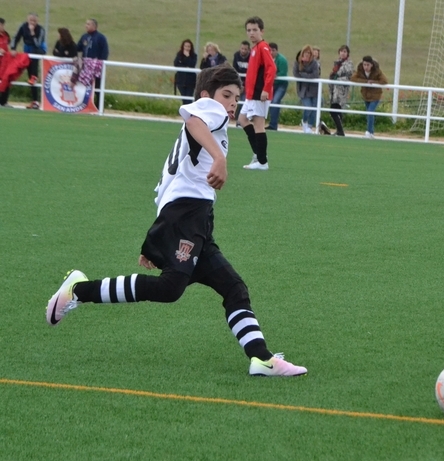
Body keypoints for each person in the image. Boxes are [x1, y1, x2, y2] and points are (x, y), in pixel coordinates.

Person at [45, 65, 308, 378]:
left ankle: (261, 358)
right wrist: (220, 159)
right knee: (171, 288)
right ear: (206, 95)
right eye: (227, 95)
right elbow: (193, 120)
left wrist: (157, 240)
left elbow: (166, 185)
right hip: (189, 215)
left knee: (233, 287)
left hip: (191, 218)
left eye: (236, 98)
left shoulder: (208, 127)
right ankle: (78, 290)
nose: (232, 103)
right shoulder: (209, 110)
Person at [239, 16, 276, 171]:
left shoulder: (263, 47)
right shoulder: (254, 49)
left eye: (255, 30)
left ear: (262, 31)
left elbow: (271, 68)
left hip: (259, 94)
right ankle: (258, 153)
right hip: (251, 94)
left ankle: (262, 162)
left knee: (259, 125)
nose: (251, 33)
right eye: (249, 30)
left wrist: (266, 89)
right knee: (242, 119)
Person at [11, 13, 46, 109]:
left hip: (38, 50)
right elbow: (16, 37)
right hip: (27, 51)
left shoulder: (41, 30)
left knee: (33, 70)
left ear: (37, 21)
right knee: (30, 75)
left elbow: (38, 44)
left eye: (34, 21)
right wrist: (13, 48)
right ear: (27, 20)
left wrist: (32, 32)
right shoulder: (23, 27)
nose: (32, 23)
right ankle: (35, 101)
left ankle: (34, 76)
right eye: (31, 20)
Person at [350, 55, 388, 139]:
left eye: (368, 65)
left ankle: (368, 131)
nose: (366, 67)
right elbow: (353, 78)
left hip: (375, 95)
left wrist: (374, 82)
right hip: (365, 95)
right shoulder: (360, 70)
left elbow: (384, 81)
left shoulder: (377, 71)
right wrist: (366, 81)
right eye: (364, 65)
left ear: (372, 65)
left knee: (370, 112)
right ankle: (371, 132)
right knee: (369, 113)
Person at [78, 18, 109, 108]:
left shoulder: (100, 38)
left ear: (94, 26)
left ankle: (99, 107)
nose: (86, 26)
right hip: (85, 67)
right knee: (84, 86)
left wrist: (100, 64)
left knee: (97, 87)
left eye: (88, 24)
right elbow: (78, 48)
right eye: (86, 24)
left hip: (96, 67)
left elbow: (105, 52)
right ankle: (84, 105)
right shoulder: (84, 37)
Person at [293, 45, 321, 134]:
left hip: (314, 89)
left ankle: (310, 126)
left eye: (309, 53)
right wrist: (306, 76)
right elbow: (296, 74)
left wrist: (304, 75)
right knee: (308, 107)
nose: (307, 54)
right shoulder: (298, 62)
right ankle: (304, 121)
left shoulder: (314, 63)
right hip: (303, 89)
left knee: (314, 108)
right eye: (306, 52)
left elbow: (315, 75)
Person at [328, 44, 354, 136]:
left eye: (345, 51)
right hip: (334, 91)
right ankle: (339, 130)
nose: (343, 53)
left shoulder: (349, 64)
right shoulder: (337, 63)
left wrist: (337, 78)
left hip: (341, 91)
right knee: (336, 110)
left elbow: (348, 76)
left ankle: (340, 131)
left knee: (334, 110)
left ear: (348, 53)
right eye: (341, 51)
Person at [266, 42, 288, 131]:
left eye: (273, 50)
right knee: (269, 102)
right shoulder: (266, 58)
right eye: (270, 50)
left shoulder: (282, 60)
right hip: (270, 84)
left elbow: (283, 73)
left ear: (277, 51)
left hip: (281, 84)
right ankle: (271, 123)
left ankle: (273, 124)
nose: (271, 52)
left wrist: (274, 76)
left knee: (275, 101)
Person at [173, 39, 198, 105]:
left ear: (191, 47)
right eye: (185, 46)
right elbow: (176, 64)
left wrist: (187, 57)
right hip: (181, 80)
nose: (187, 48)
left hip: (190, 81)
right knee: (184, 99)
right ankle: (185, 111)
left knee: (189, 99)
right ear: (183, 46)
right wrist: (185, 66)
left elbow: (192, 64)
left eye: (188, 46)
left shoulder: (194, 56)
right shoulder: (179, 54)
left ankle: (189, 111)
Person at [231, 41, 250, 120]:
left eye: (245, 49)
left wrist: (244, 85)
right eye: (242, 48)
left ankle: (240, 118)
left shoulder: (251, 57)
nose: (243, 51)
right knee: (235, 100)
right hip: (238, 82)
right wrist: (238, 84)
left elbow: (251, 72)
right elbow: (234, 70)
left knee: (244, 101)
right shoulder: (236, 55)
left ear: (248, 50)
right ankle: (233, 116)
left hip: (248, 83)